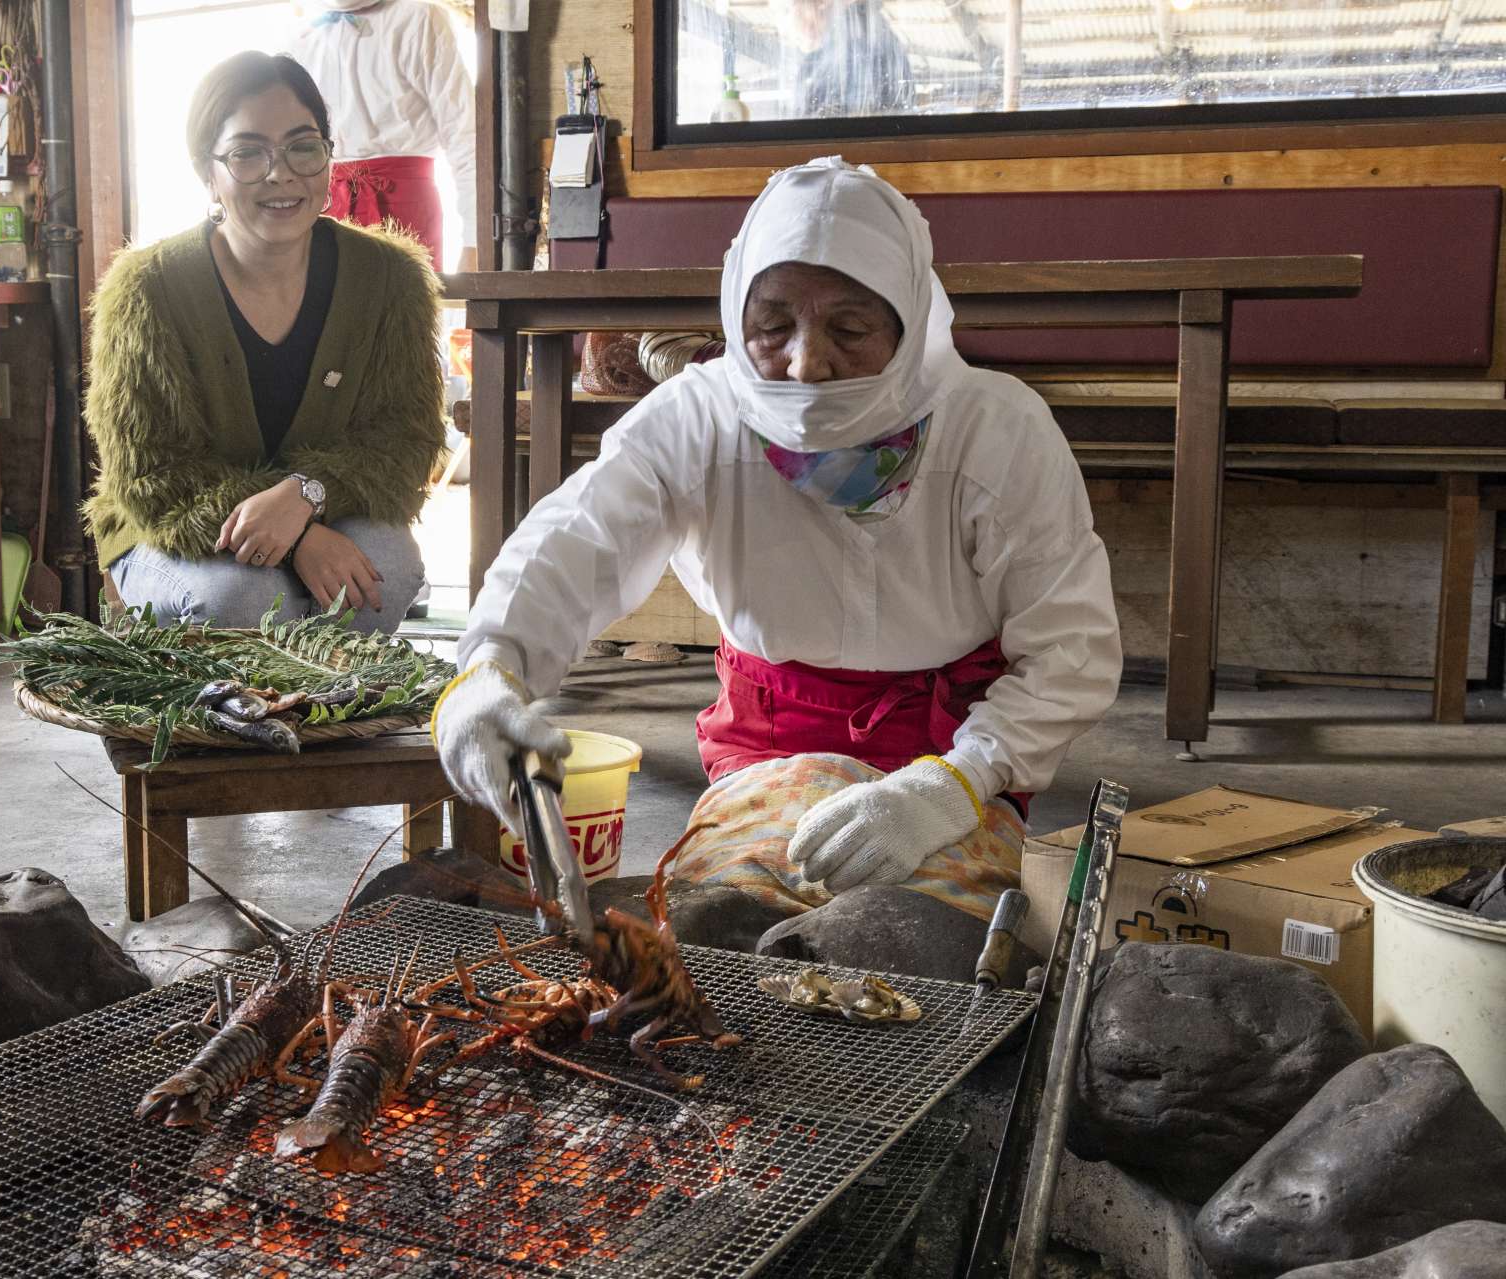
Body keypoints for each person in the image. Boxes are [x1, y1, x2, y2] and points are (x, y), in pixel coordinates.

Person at [433, 159, 1121, 926]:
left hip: (950, 755)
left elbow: (1071, 650)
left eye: (851, 329)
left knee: (923, 933)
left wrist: (948, 788)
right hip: (769, 746)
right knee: (718, 923)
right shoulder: (700, 417)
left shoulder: (996, 431)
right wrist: (490, 670)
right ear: (735, 314)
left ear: (911, 317)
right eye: (772, 326)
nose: (806, 361)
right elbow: (576, 538)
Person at [83, 52, 445, 632]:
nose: (280, 174)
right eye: (248, 153)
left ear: (329, 158)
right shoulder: (146, 287)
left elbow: (406, 440)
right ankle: (230, 710)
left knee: (389, 571)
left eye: (302, 146)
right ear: (208, 171)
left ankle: (318, 711)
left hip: (326, 505)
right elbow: (149, 476)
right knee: (246, 596)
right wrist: (298, 532)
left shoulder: (388, 277)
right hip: (170, 528)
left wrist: (307, 495)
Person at [286, 0, 476, 270]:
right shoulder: (297, 34)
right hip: (323, 208)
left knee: (405, 306)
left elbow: (465, 135)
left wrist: (474, 242)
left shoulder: (419, 19)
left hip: (402, 208)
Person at [769, 0, 913, 119]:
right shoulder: (859, 39)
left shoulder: (856, 47)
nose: (784, 29)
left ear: (821, 2)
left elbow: (852, 125)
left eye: (786, 10)